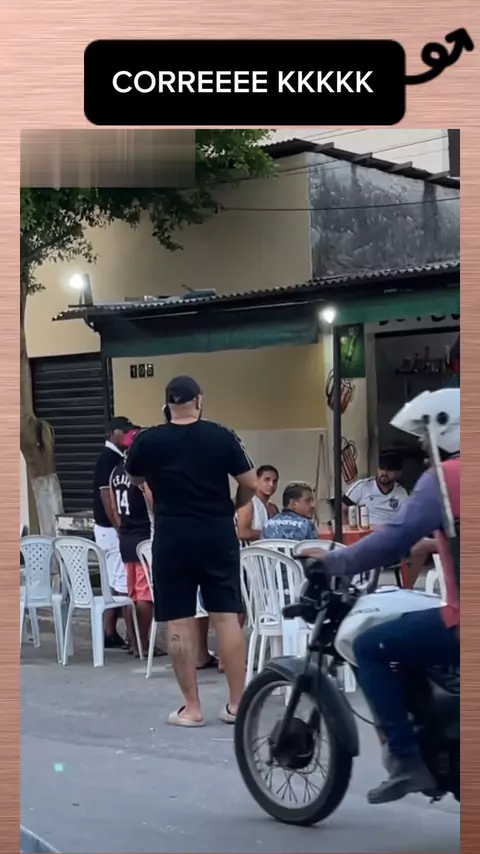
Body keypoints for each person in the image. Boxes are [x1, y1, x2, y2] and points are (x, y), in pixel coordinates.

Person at [301, 388, 460, 805]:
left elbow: (391, 540)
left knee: (372, 645)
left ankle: (406, 759)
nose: (422, 447)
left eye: (426, 436)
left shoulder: (445, 479)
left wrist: (332, 563)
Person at [126, 375, 258, 727]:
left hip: (172, 536)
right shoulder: (221, 435)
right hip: (217, 533)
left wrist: (159, 496)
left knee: (179, 620)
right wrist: (235, 504)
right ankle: (237, 704)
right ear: (199, 401)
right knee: (226, 616)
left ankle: (192, 708)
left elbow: (137, 480)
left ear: (167, 405)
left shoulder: (147, 440)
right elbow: (250, 482)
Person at [110, 428, 166, 659]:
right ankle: (143, 643)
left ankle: (134, 642)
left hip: (125, 538)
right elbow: (153, 502)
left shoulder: (115, 471)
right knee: (145, 596)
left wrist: (122, 528)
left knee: (130, 593)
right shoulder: (142, 472)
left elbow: (113, 506)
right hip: (144, 537)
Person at [93, 416, 134, 649]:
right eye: (123, 431)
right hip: (110, 530)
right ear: (112, 433)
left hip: (109, 529)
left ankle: (109, 632)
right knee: (123, 584)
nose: (127, 436)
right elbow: (106, 495)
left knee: (114, 582)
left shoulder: (118, 457)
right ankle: (133, 638)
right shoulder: (108, 459)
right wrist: (119, 526)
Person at [342, 451, 408, 528]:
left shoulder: (401, 493)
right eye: (382, 468)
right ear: (377, 469)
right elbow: (341, 510)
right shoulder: (362, 486)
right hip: (364, 530)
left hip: (388, 532)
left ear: (398, 473)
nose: (384, 473)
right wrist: (347, 531)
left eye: (390, 470)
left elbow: (406, 519)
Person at [236, 465, 280, 544]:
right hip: (247, 550)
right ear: (257, 480)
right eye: (267, 480)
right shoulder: (248, 502)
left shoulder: (273, 508)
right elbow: (242, 533)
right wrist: (270, 534)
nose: (271, 484)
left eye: (274, 481)